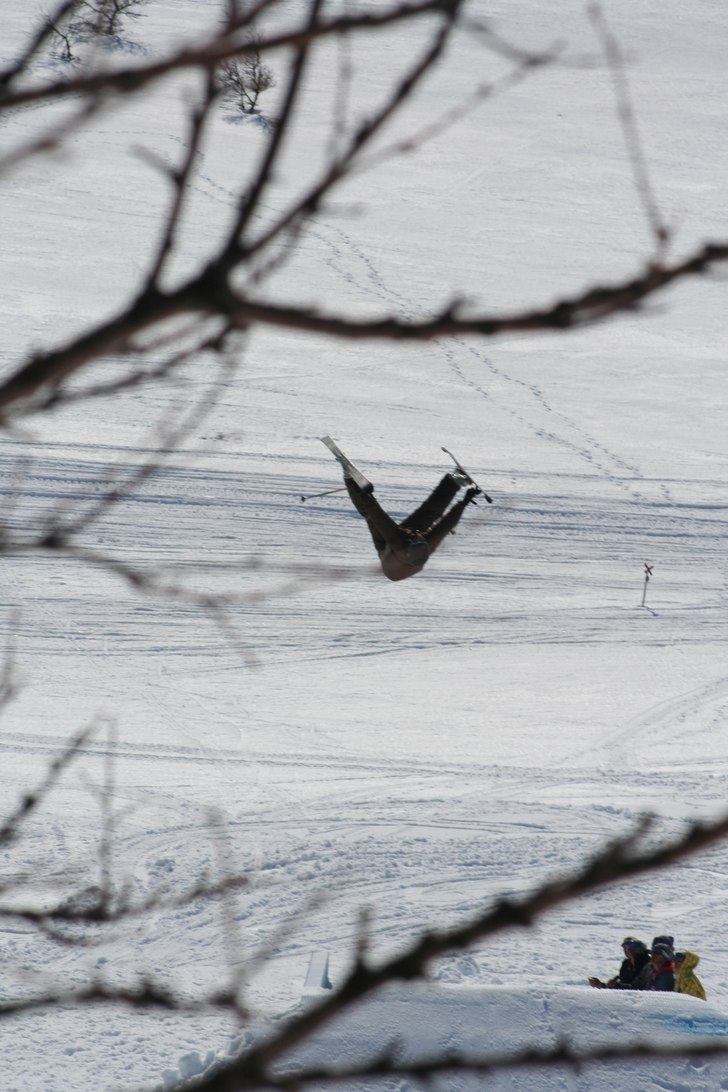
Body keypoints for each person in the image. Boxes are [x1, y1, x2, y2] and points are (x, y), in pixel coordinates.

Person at [343, 469, 481, 582]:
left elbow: (375, 512)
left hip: (387, 553)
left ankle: (348, 479)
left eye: (415, 537)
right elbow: (447, 524)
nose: (417, 535)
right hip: (402, 557)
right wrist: (465, 502)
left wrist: (355, 487)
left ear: (409, 543)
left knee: (370, 515)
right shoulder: (427, 544)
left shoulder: (395, 539)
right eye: (418, 537)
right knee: (430, 513)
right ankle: (454, 481)